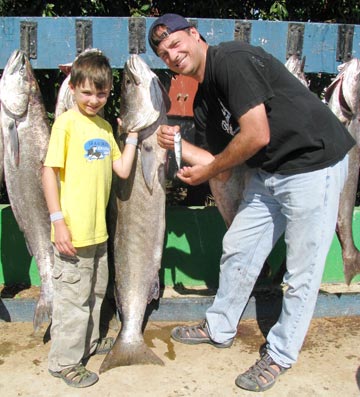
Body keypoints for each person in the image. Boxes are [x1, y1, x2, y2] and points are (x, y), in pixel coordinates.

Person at [148, 14, 355, 392]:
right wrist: (178, 147)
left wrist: (208, 167)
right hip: (270, 170)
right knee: (239, 247)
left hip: (314, 163)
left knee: (302, 273)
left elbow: (255, 134)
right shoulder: (205, 98)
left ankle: (279, 354)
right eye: (164, 54)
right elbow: (224, 167)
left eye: (176, 44)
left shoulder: (231, 60)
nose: (173, 55)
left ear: (194, 36)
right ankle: (220, 326)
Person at [42, 49, 139, 388]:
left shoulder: (103, 128)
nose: (94, 99)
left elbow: (123, 169)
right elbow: (48, 172)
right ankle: (65, 362)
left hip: (99, 236)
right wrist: (58, 221)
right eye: (86, 92)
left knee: (95, 295)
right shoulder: (67, 123)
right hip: (72, 234)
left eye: (101, 93)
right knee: (73, 301)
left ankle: (85, 347)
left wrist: (132, 136)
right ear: (73, 90)